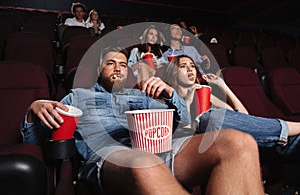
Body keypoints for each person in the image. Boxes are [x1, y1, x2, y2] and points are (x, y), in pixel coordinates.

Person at [20, 46, 264, 194]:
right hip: (108, 156)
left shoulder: (140, 95)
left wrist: (171, 94)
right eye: (110, 64)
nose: (118, 69)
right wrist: (33, 111)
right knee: (144, 162)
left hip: (159, 149)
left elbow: (185, 123)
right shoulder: (78, 96)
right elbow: (36, 141)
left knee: (238, 142)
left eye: (123, 65)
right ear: (99, 70)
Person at [164, 54, 300, 155]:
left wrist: (223, 86)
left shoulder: (206, 95)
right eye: (183, 66)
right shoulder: (170, 97)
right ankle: (286, 129)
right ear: (173, 72)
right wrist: (188, 100)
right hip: (203, 146)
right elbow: (184, 131)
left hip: (238, 142)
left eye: (192, 66)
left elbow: (242, 117)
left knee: (292, 143)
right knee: (213, 117)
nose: (190, 69)